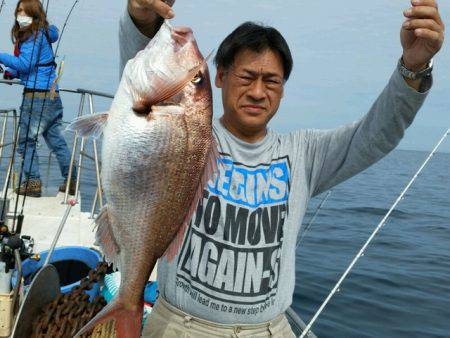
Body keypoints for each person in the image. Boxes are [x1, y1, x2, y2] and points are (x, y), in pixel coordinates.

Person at [121, 0, 444, 337]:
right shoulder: (185, 136)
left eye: (272, 81)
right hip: (181, 326)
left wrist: (413, 67)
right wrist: (142, 17)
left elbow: (378, 134)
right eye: (247, 77)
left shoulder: (304, 153)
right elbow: (142, 81)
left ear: (283, 90)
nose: (258, 92)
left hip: (270, 330)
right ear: (219, 77)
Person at [0, 0, 77, 197]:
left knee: (26, 142)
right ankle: (71, 179)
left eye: (24, 12)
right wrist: (12, 72)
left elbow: (26, 64)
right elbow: (33, 66)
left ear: (34, 15)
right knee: (55, 139)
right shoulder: (43, 33)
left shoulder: (32, 35)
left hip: (35, 98)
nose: (20, 15)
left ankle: (32, 183)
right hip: (52, 96)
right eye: (18, 11)